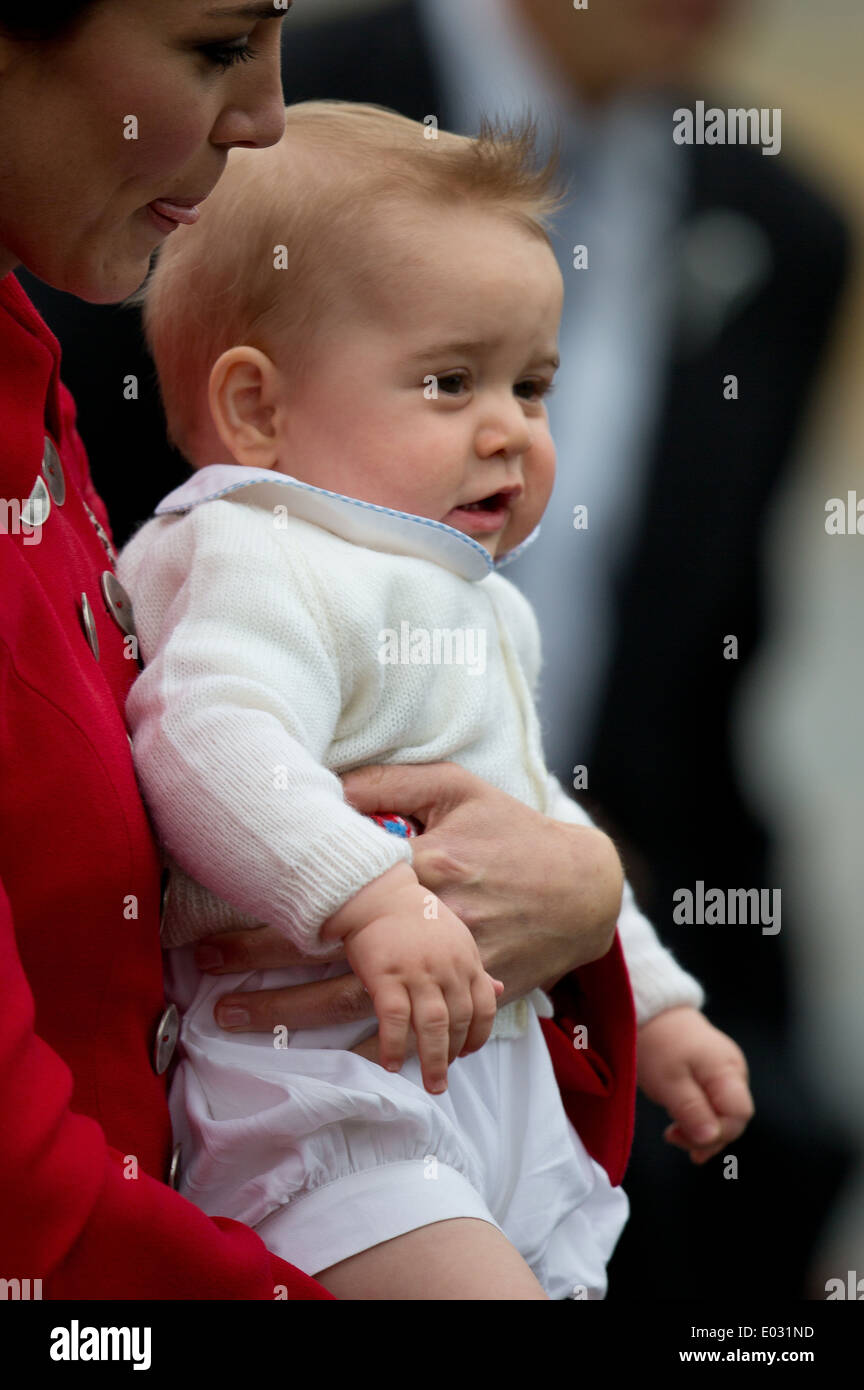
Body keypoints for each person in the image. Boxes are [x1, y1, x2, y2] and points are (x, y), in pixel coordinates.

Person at [0, 0, 637, 1301]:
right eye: (219, 46)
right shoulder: (253, 536)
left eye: (534, 385)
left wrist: (586, 901)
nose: (266, 113)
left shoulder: (37, 375)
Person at [116, 101, 754, 1300]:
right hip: (321, 1109)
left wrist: (658, 1005)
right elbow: (205, 737)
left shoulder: (474, 603)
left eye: (535, 384)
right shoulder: (261, 552)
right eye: (451, 381)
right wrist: (365, 891)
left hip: (477, 1097)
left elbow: (530, 828)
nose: (511, 429)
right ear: (257, 407)